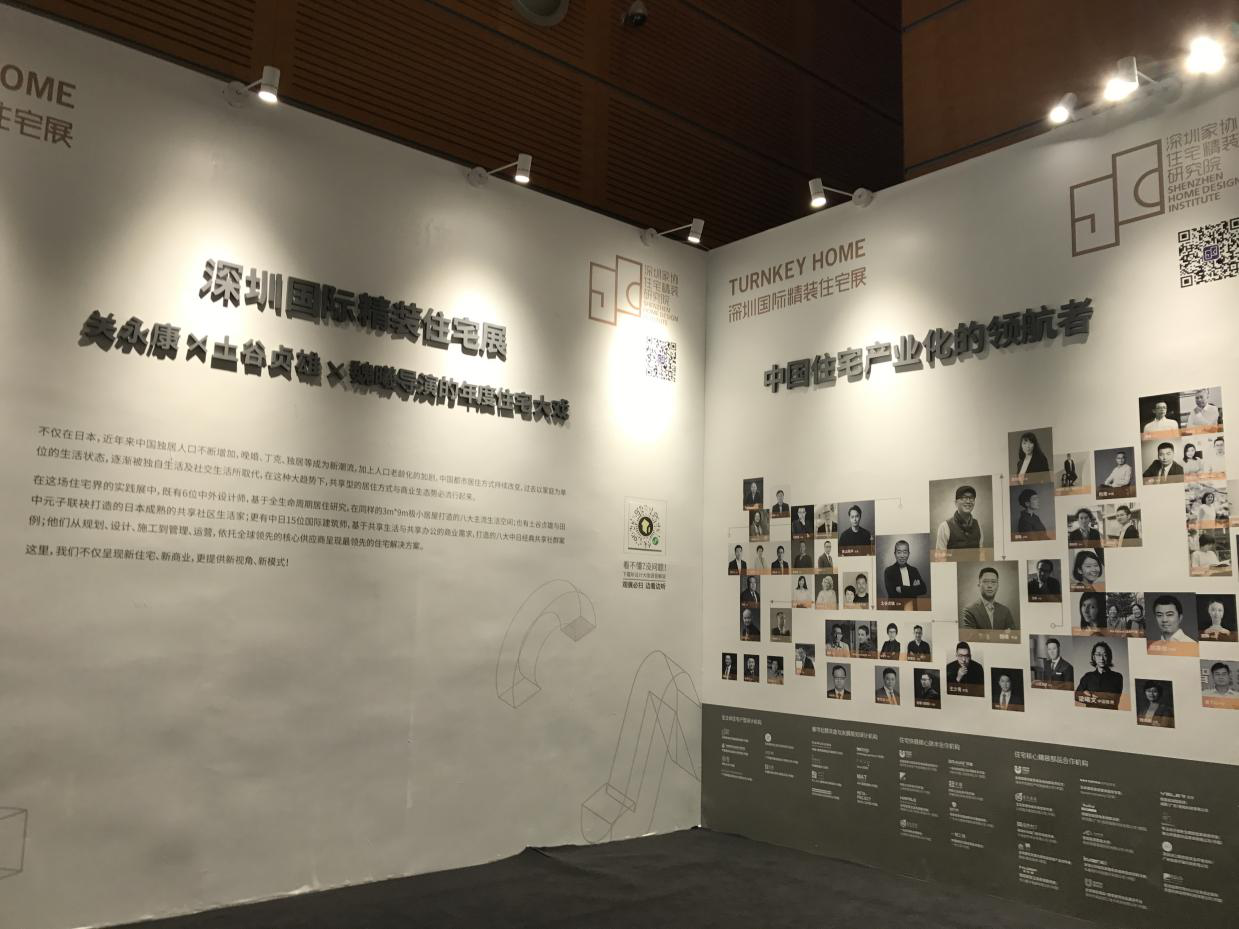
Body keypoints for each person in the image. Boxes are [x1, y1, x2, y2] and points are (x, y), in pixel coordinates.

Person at [960, 566, 1017, 631]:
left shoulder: (1005, 611)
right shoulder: (969, 611)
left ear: (997, 586)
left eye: (993, 582)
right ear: (979, 585)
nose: (990, 586)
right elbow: (970, 636)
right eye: (986, 581)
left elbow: (1012, 635)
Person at [1075, 641, 1123, 709]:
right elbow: (1077, 696)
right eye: (1098, 655)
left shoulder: (1117, 677)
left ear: (1109, 657)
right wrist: (1097, 697)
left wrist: (1089, 694)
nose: (1102, 658)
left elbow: (1114, 700)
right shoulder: (1087, 676)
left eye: (1105, 655)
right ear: (1094, 657)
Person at [935, 484, 983, 551]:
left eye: (971, 498)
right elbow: (940, 556)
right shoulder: (944, 527)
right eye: (964, 498)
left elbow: (980, 553)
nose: (968, 501)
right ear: (956, 503)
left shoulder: (978, 525)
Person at [882, 539, 927, 604]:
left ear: (908, 554)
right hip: (896, 608)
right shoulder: (889, 571)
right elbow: (893, 594)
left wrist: (901, 589)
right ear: (895, 554)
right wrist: (913, 589)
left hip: (912, 607)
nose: (902, 556)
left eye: (905, 552)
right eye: (899, 552)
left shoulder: (914, 570)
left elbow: (923, 589)